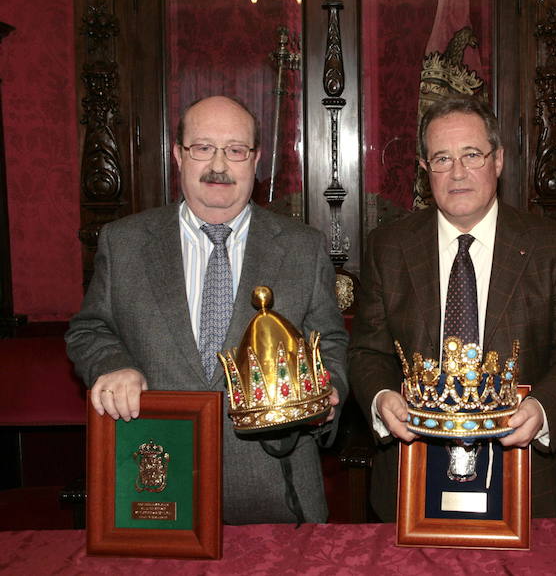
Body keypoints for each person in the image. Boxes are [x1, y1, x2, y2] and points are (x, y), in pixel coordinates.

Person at [66, 95, 349, 524]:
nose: (219, 165)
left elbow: (328, 341)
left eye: (235, 150)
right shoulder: (123, 243)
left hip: (277, 488)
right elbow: (89, 330)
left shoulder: (303, 247)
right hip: (156, 484)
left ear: (255, 160)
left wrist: (329, 393)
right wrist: (112, 365)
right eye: (203, 148)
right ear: (178, 155)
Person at [349, 95, 556, 521]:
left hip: (531, 480)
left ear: (498, 160)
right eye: (442, 159)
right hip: (411, 475)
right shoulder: (388, 246)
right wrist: (380, 398)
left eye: (472, 155)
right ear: (424, 168)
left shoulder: (551, 245)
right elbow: (367, 352)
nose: (458, 173)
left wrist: (542, 409)